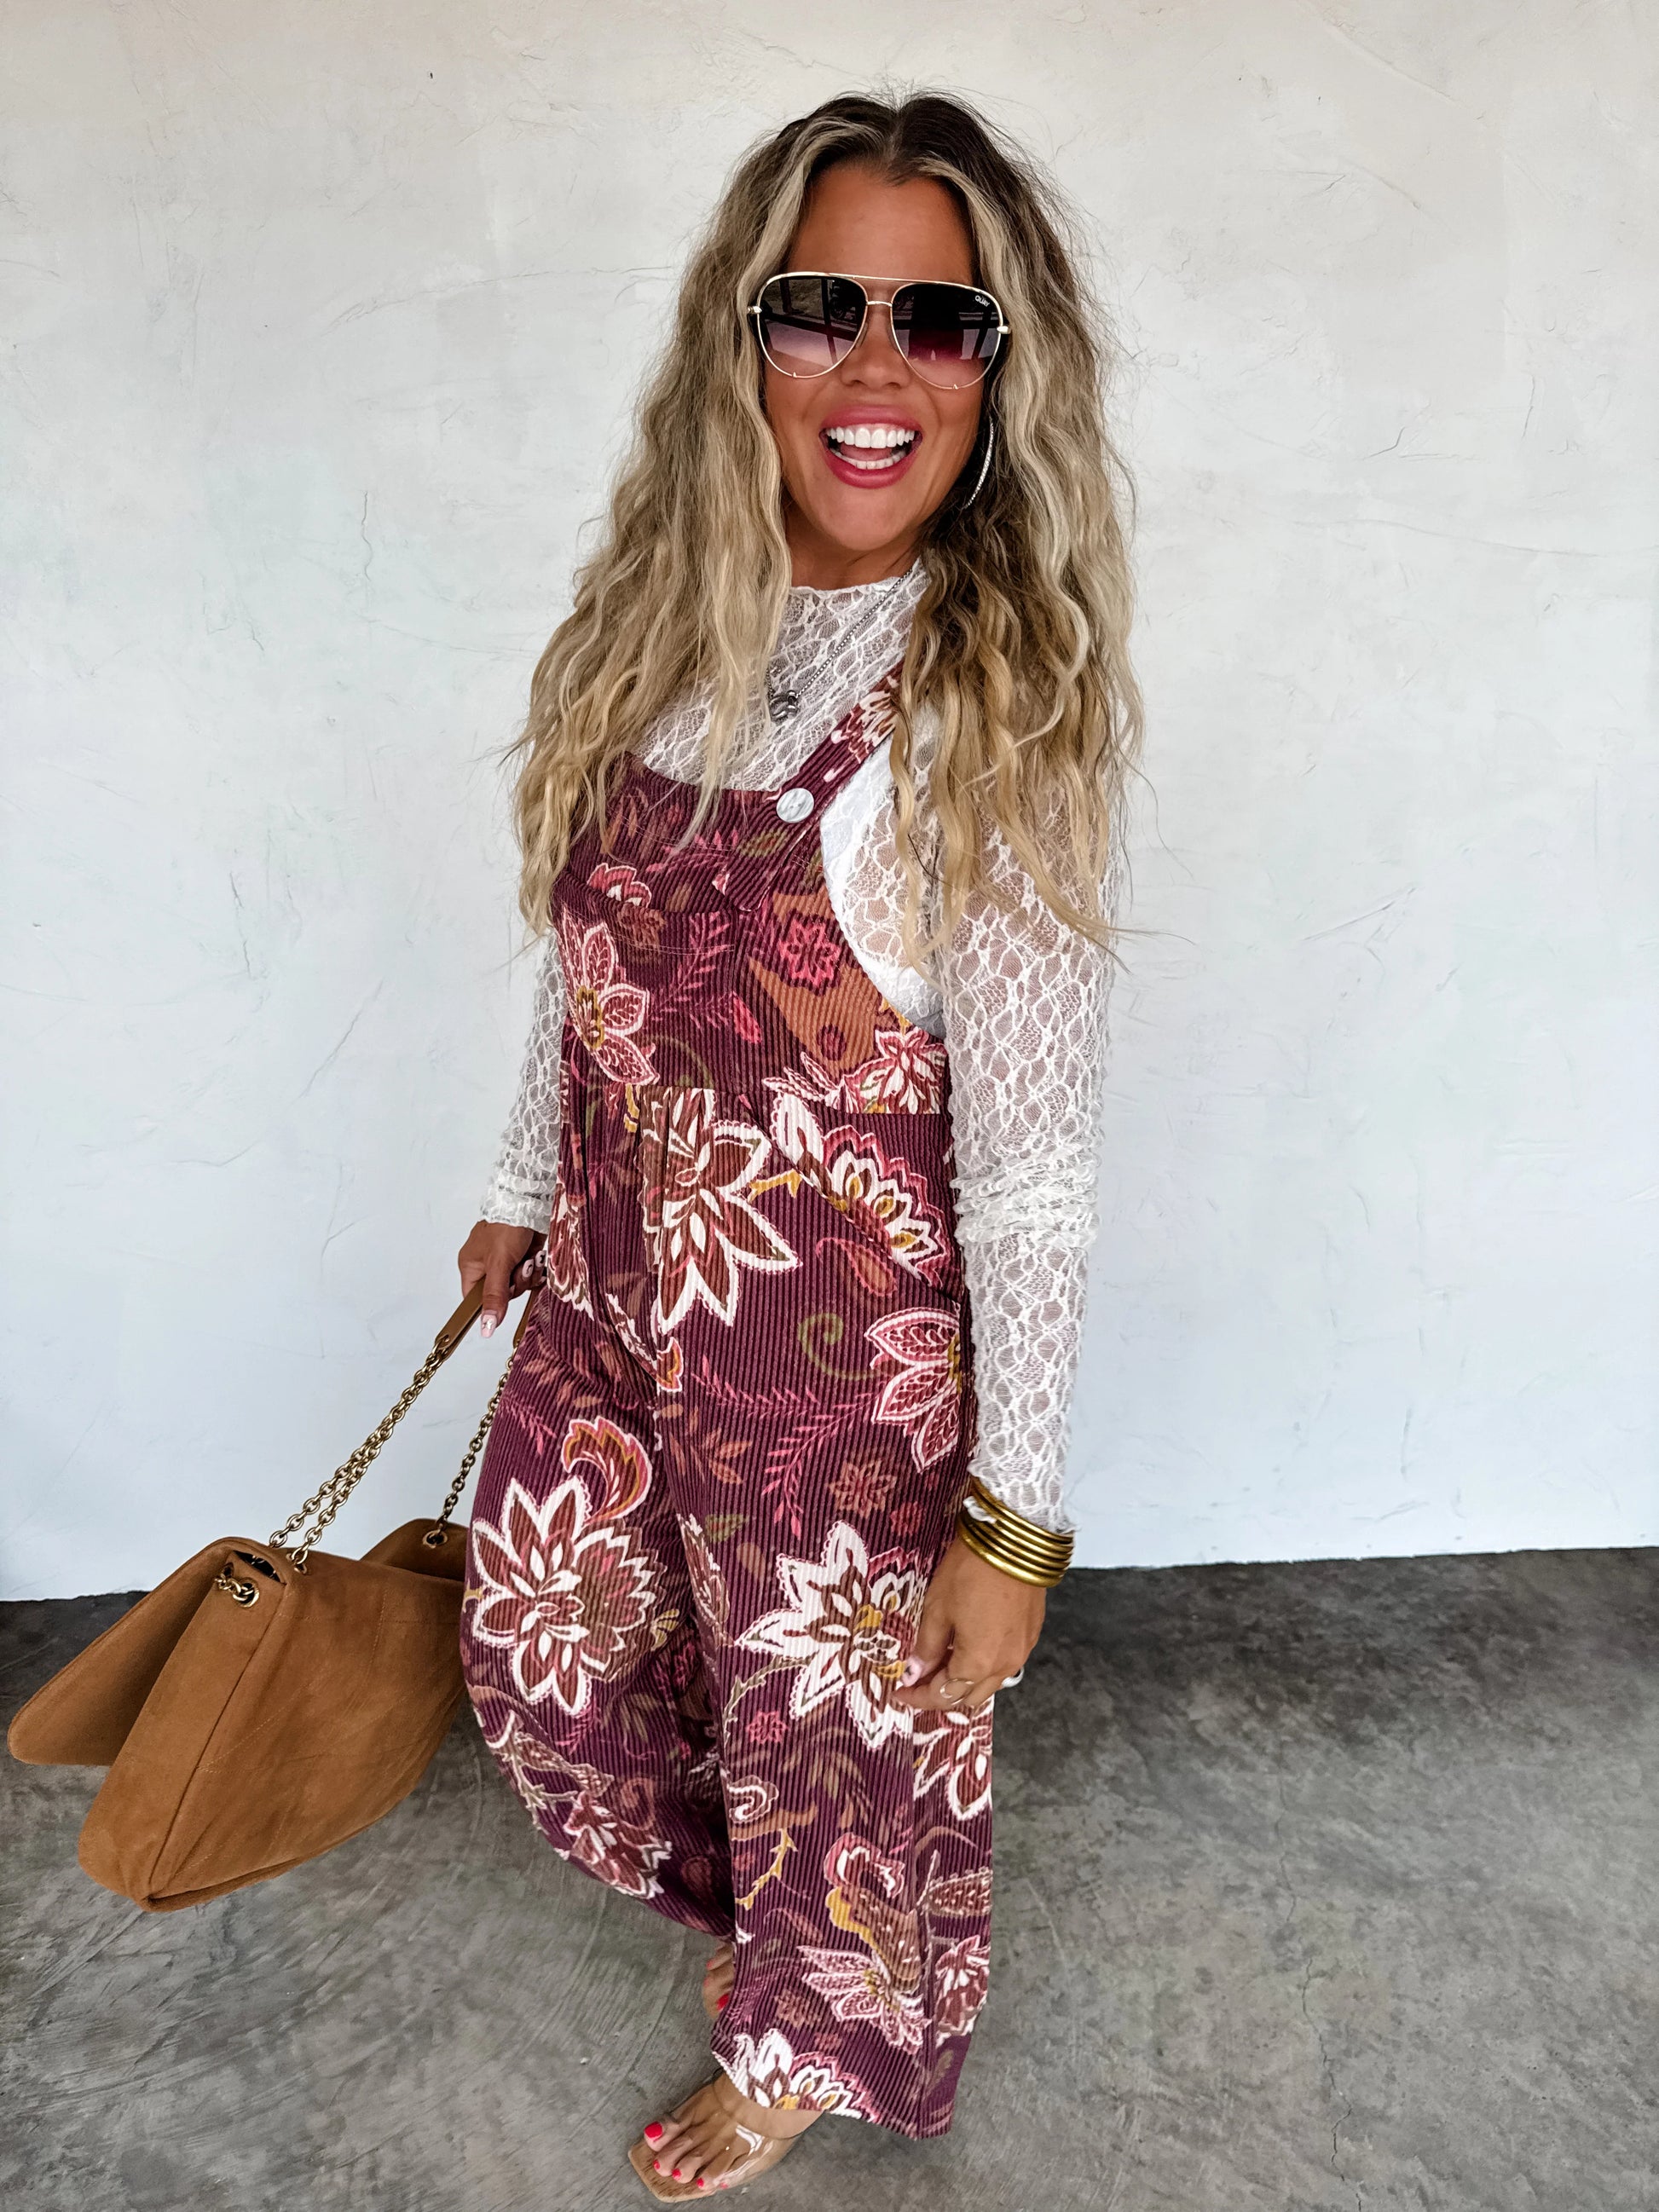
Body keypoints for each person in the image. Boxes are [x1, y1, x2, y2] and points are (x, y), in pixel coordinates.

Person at [454, 89, 1142, 2199]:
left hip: (835, 1357)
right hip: (616, 1272)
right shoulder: (662, 635)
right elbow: (584, 953)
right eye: (820, 306)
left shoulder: (984, 714)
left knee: (844, 1737)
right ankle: (759, 1905)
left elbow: (1034, 1165)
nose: (875, 365)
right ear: (738, 340)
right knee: (549, 1642)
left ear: (996, 374)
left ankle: (810, 2025)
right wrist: (516, 1186)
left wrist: (1012, 1522)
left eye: (939, 320)